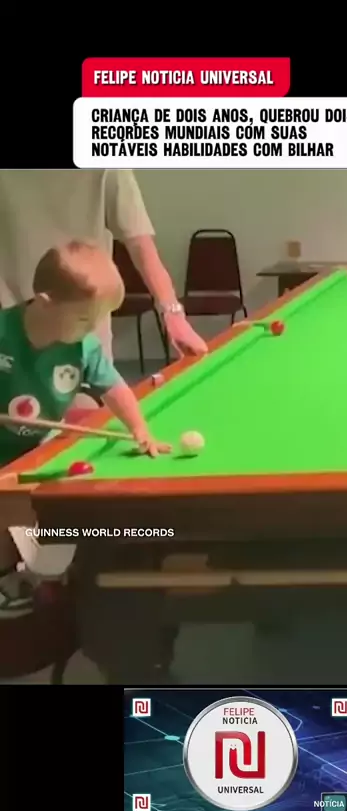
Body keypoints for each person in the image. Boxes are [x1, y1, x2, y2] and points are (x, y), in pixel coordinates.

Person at [0, 241, 172, 612]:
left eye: (98, 319)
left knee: (54, 509)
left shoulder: (83, 347)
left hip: (38, 450)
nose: (92, 328)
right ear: (45, 302)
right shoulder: (2, 333)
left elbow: (114, 388)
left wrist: (140, 430)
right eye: (83, 319)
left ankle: (47, 565)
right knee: (8, 512)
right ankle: (6, 579)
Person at [0, 170, 207, 362]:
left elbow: (140, 243)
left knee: (95, 386)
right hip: (11, 330)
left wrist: (172, 312)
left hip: (86, 330)